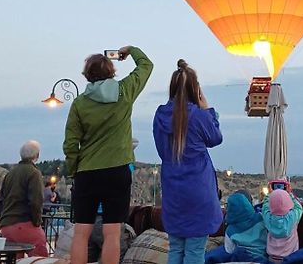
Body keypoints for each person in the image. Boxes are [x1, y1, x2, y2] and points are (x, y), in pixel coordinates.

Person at [63, 45, 153, 264]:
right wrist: (130, 50)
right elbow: (147, 65)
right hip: (117, 171)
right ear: (111, 72)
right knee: (112, 233)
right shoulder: (124, 91)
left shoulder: (80, 103)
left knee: (81, 234)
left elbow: (70, 143)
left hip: (87, 173)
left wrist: (74, 169)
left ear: (88, 75)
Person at [153, 59, 222, 264]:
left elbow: (160, 150)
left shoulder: (160, 115)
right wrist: (208, 110)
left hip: (173, 189)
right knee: (194, 252)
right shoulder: (199, 116)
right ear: (196, 90)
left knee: (175, 249)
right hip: (199, 190)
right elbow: (215, 138)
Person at [0, 140, 48, 257]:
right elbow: (36, 201)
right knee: (40, 256)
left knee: (16, 258)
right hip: (24, 223)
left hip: (6, 226)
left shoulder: (10, 173)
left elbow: (0, 202)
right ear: (37, 155)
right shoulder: (33, 173)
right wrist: (37, 222)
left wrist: (5, 217)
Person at [262, 189, 303, 264]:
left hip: (271, 258)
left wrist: (269, 194)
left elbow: (265, 206)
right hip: (291, 258)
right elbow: (299, 207)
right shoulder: (293, 216)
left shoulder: (268, 218)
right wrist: (290, 194)